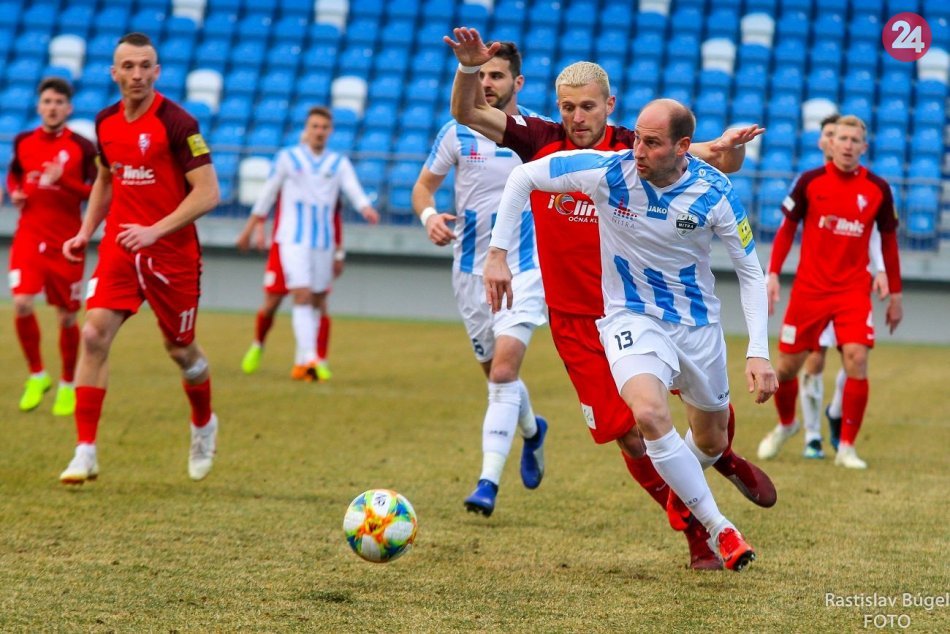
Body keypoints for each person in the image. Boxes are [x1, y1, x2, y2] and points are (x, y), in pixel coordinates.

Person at [447, 28, 775, 570]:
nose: (577, 118)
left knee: (703, 415)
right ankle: (700, 534)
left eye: (588, 107)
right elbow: (468, 114)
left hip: (643, 307)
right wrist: (466, 69)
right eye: (568, 107)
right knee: (633, 435)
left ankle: (721, 455)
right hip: (577, 319)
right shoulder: (540, 141)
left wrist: (729, 148)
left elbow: (709, 162)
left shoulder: (632, 147)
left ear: (609, 105)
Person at [58, 32, 221, 484]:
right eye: (128, 66)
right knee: (93, 334)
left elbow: (209, 193)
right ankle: (85, 451)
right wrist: (85, 231)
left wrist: (155, 230)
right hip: (121, 247)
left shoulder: (178, 123)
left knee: (181, 351)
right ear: (114, 73)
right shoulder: (105, 122)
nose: (137, 74)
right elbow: (105, 181)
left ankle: (204, 423)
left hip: (171, 253)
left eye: (145, 66)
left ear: (157, 71)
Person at [411, 41, 549, 518]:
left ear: (517, 82)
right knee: (496, 375)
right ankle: (532, 430)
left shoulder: (536, 135)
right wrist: (429, 215)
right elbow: (423, 187)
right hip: (469, 272)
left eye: (497, 76)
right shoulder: (456, 131)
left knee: (505, 373)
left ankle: (487, 482)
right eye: (483, 75)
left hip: (524, 269)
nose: (487, 83)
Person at [756, 114, 903, 469]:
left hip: (853, 291)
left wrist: (895, 294)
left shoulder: (878, 189)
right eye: (843, 139)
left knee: (857, 359)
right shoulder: (810, 181)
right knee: (786, 369)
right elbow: (786, 230)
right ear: (830, 143)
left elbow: (888, 241)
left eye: (855, 140)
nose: (848, 145)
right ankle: (787, 424)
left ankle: (846, 447)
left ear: (864, 147)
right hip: (810, 291)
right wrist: (772, 275)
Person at [240, 106, 378, 381]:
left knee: (316, 300)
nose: (319, 132)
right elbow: (268, 194)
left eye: (324, 127)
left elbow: (352, 189)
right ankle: (305, 356)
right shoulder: (288, 158)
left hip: (323, 242)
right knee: (295, 296)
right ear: (306, 129)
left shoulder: (337, 163)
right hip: (292, 240)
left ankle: (304, 362)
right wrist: (250, 229)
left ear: (331, 131)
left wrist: (365, 207)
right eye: (315, 126)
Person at [5, 77, 97, 415]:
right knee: (22, 303)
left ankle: (67, 384)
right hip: (29, 236)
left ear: (68, 108)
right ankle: (37, 375)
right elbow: (14, 174)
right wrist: (14, 191)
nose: (52, 107)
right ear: (39, 106)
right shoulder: (23, 141)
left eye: (59, 102)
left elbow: (97, 192)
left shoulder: (83, 147)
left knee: (67, 317)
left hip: (67, 242)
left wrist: (65, 180)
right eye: (47, 101)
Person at [237, 198, 344, 380]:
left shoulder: (328, 182)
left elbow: (333, 215)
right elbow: (267, 198)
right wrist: (259, 227)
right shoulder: (289, 178)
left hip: (316, 247)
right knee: (271, 303)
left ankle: (315, 361)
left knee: (318, 303)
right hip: (284, 244)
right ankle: (258, 345)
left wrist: (339, 252)